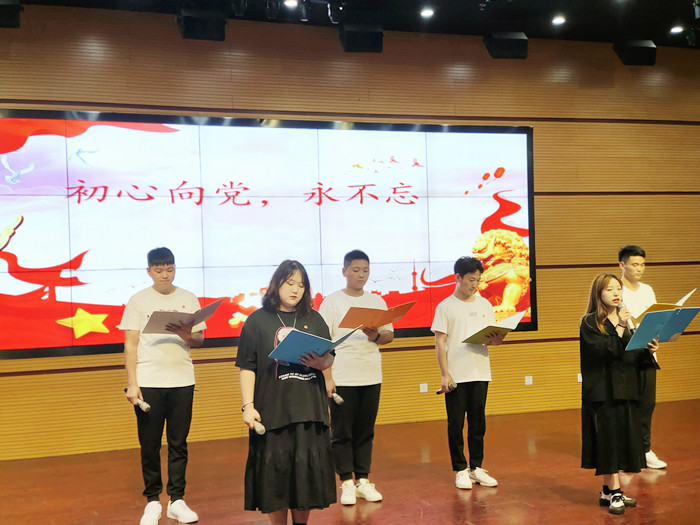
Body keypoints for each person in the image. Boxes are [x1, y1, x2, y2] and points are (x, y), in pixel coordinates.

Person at [236, 260, 337, 525]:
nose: (295, 290)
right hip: (273, 411)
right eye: (290, 283)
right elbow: (247, 367)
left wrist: (321, 363)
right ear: (277, 284)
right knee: (276, 478)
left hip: (309, 409)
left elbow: (329, 358)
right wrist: (248, 406)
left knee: (305, 476)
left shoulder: (313, 319)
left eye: (301, 285)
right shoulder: (257, 321)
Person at [121, 247, 204, 525]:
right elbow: (130, 345)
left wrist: (186, 335)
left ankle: (177, 500)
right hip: (149, 382)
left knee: (179, 443)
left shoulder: (188, 298)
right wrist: (132, 384)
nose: (165, 274)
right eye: (159, 270)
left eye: (169, 269)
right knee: (150, 444)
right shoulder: (138, 301)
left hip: (182, 380)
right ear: (149, 271)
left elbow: (199, 339)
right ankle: (153, 501)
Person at [318, 250, 394, 505]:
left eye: (365, 270)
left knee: (365, 430)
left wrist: (376, 335)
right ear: (344, 272)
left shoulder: (377, 301)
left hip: (371, 374)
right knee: (342, 431)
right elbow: (323, 343)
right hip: (342, 376)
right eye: (356, 270)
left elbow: (388, 335)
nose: (361, 275)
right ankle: (346, 483)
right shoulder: (332, 302)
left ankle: (363, 480)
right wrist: (327, 378)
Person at [580, 273, 659, 515]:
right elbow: (603, 352)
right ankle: (615, 492)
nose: (616, 293)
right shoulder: (590, 322)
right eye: (609, 289)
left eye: (618, 288)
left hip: (625, 389)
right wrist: (622, 326)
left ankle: (608, 491)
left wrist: (648, 350)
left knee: (621, 440)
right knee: (608, 442)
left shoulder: (627, 319)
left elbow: (630, 354)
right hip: (603, 392)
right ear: (598, 294)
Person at [431, 256, 505, 491]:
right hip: (456, 374)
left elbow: (491, 338)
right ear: (458, 277)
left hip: (480, 371)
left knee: (477, 423)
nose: (475, 284)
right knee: (455, 424)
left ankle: (476, 467)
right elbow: (439, 342)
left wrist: (496, 340)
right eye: (471, 279)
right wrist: (445, 374)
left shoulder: (484, 305)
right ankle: (460, 469)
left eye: (478, 280)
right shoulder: (445, 306)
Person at [618, 245, 666, 470]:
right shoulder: (615, 290)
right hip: (625, 356)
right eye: (635, 264)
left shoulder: (647, 290)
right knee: (627, 407)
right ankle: (624, 454)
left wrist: (656, 341)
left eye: (643, 265)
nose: (640, 269)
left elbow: (655, 320)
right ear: (622, 265)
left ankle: (645, 450)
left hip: (648, 354)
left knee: (647, 405)